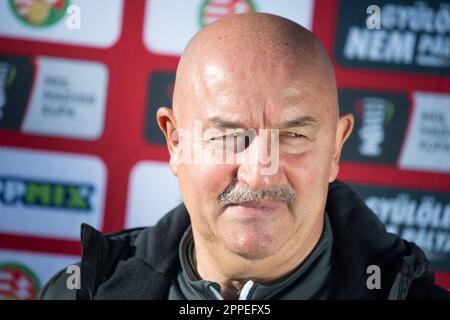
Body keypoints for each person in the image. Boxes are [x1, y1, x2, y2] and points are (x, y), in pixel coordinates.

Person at [40, 13, 449, 300]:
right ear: (175, 142)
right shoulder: (76, 293)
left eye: (293, 135)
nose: (259, 173)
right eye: (230, 135)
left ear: (336, 148)